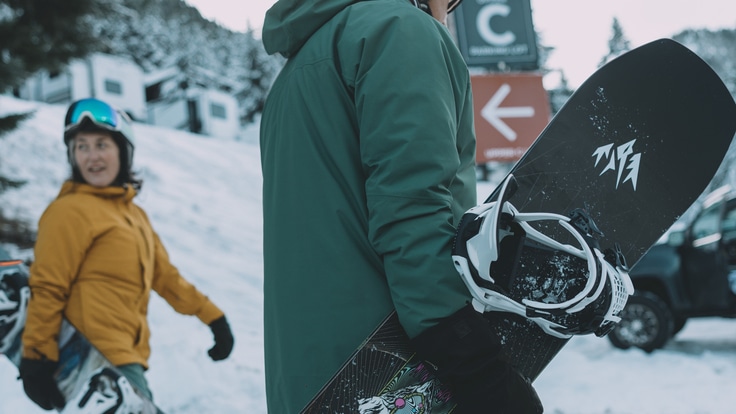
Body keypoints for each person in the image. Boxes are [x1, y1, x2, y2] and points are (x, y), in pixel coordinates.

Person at [260, 0, 543, 412]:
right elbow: (413, 210)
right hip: (391, 371)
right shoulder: (400, 31)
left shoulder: (301, 66)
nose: (449, 9)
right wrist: (472, 361)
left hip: (314, 379)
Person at [19, 98, 234, 411]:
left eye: (101, 144)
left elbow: (167, 278)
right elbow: (48, 286)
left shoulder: (134, 216)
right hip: (94, 363)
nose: (92, 156)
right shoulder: (68, 211)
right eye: (81, 146)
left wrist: (214, 318)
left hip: (126, 362)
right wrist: (36, 358)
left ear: (123, 150)